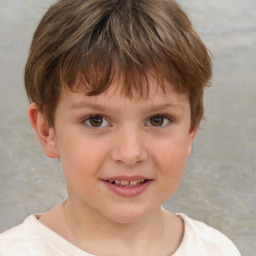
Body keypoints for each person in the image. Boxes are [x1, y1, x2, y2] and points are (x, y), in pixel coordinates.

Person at [0, 0, 241, 255]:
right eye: (96, 120)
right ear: (47, 131)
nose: (130, 153)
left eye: (157, 120)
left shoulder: (217, 249)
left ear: (191, 128)